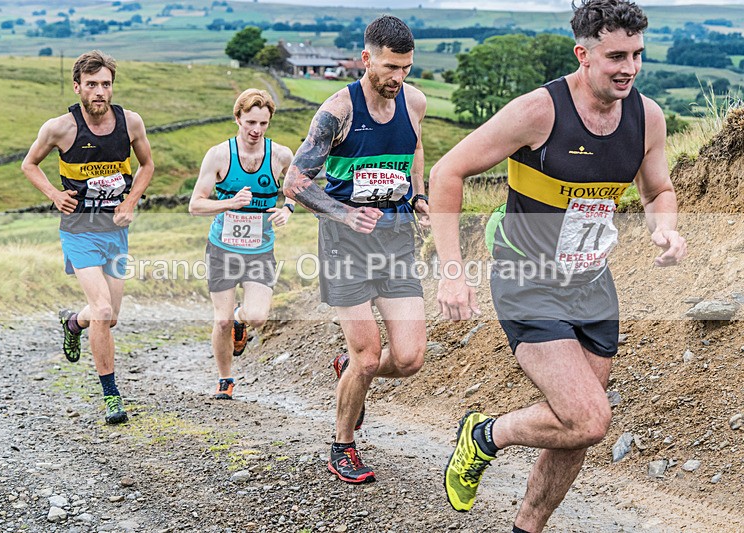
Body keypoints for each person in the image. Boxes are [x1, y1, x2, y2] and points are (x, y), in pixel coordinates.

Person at [430, 1, 687, 530]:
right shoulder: (538, 111)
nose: (629, 68)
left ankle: (529, 524)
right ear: (583, 55)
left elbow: (658, 187)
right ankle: (483, 435)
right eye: (616, 55)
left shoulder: (647, 117)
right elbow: (447, 171)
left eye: (638, 55)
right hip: (527, 278)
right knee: (590, 418)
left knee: (578, 427)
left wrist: (666, 224)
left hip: (592, 280)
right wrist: (452, 270)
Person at [284, 15, 430, 484]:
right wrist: (345, 213)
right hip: (345, 243)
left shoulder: (415, 101)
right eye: (390, 67)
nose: (398, 78)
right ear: (366, 59)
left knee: (408, 359)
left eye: (406, 68)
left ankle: (350, 371)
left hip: (396, 239)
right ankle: (342, 445)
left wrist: (420, 194)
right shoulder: (337, 112)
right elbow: (295, 182)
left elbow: (416, 148)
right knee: (370, 356)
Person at [22, 50, 155, 425]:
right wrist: (53, 194)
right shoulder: (59, 128)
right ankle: (112, 396)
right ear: (78, 86)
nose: (100, 91)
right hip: (79, 231)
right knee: (102, 309)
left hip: (115, 232)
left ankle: (72, 323)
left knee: (108, 318)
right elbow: (29, 163)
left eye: (106, 84)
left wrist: (130, 200)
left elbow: (147, 165)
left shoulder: (131, 123)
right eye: (92, 84)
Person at [189, 89, 294, 401]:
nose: (256, 130)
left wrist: (287, 208)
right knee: (220, 321)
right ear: (237, 119)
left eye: (263, 123)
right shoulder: (219, 155)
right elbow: (196, 204)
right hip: (222, 248)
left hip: (260, 250)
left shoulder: (280, 156)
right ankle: (225, 379)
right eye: (250, 122)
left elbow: (301, 185)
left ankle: (240, 318)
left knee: (257, 317)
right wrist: (231, 203)